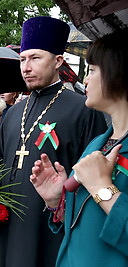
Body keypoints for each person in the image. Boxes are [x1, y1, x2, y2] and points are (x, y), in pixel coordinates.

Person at [0, 16, 108, 267]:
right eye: (22, 59)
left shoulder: (83, 109)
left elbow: (92, 176)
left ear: (58, 61)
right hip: (7, 228)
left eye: (35, 58)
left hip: (50, 229)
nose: (26, 67)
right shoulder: (12, 113)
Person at [30, 29, 128, 267]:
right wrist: (58, 202)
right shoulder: (97, 143)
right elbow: (85, 223)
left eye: (92, 70)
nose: (84, 79)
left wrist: (102, 188)